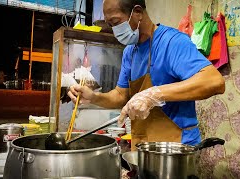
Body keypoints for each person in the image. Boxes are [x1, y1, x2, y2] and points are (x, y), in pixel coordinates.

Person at [68, 0, 225, 148]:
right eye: (110, 25)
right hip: (144, 146)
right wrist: (94, 97)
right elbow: (121, 95)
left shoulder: (172, 41)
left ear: (137, 12)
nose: (115, 32)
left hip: (177, 147)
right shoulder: (130, 51)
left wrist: (153, 94)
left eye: (116, 23)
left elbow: (214, 81)